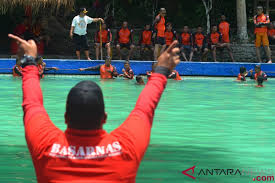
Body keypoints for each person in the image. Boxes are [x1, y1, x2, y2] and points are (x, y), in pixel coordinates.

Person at [8, 33, 180, 182]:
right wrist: (162, 70)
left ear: (66, 117)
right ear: (104, 117)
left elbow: (32, 104)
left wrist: (29, 61)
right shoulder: (125, 148)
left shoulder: (46, 146)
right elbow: (144, 109)